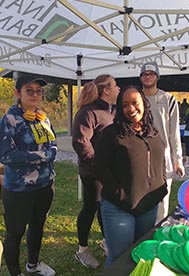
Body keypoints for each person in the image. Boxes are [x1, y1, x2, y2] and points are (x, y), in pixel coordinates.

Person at [94, 85, 168, 267]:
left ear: (144, 103)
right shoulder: (112, 134)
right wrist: (119, 194)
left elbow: (158, 163)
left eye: (135, 103)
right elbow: (99, 168)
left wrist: (160, 186)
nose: (131, 109)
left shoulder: (153, 132)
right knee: (119, 259)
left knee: (140, 255)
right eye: (125, 105)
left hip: (148, 206)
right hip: (119, 207)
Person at [0, 74, 57, 276]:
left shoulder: (43, 117)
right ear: (18, 93)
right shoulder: (9, 119)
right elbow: (6, 156)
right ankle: (15, 273)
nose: (35, 94)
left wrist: (50, 153)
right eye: (29, 90)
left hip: (44, 185)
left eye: (38, 90)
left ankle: (33, 265)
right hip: (19, 189)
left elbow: (54, 146)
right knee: (15, 233)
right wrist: (43, 156)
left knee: (37, 226)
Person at [72, 74, 120, 268]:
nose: (118, 89)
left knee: (105, 207)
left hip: (108, 172)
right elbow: (81, 142)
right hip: (92, 173)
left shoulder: (112, 111)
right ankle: (82, 250)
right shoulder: (88, 113)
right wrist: (99, 165)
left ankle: (106, 240)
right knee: (91, 206)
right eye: (115, 85)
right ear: (106, 90)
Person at [139, 61, 185, 224]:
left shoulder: (168, 99)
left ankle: (158, 229)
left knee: (161, 198)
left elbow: (174, 132)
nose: (148, 76)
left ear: (157, 77)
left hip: (163, 157)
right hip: (140, 154)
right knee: (140, 194)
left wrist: (177, 160)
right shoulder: (136, 98)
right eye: (144, 74)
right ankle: (142, 230)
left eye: (151, 74)